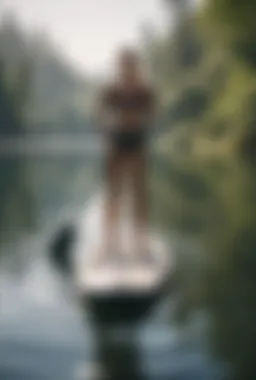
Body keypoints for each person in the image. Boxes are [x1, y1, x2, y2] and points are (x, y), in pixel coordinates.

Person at [95, 47, 156, 264]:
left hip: (137, 143)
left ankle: (141, 243)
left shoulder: (144, 91)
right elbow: (100, 115)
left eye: (131, 64)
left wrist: (137, 118)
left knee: (139, 194)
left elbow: (152, 115)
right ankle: (110, 243)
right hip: (116, 143)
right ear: (119, 66)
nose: (127, 68)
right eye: (124, 64)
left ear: (136, 66)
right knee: (114, 194)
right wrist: (110, 127)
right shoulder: (111, 90)